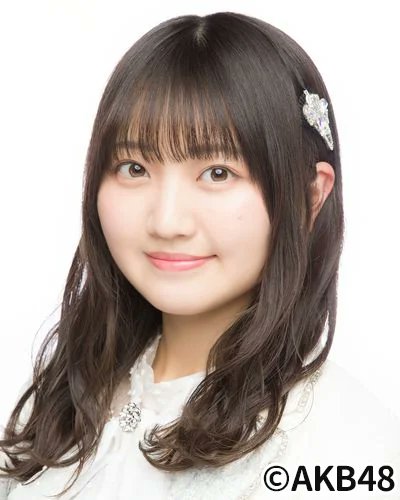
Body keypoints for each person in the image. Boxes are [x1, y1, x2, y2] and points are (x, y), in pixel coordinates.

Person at [1, 11, 399, 500]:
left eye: (217, 173)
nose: (167, 222)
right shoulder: (59, 402)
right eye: (134, 167)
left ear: (310, 195)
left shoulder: (348, 450)